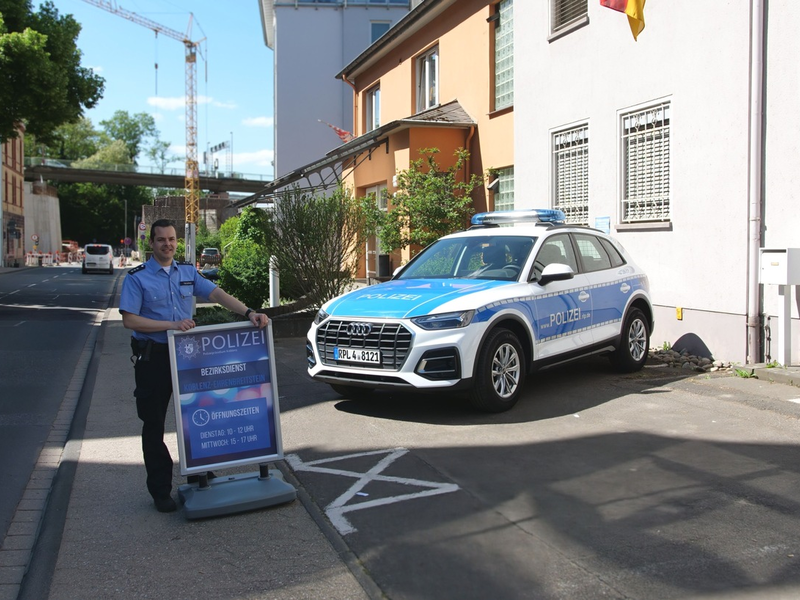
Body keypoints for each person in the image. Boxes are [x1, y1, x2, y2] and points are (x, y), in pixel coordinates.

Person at [119, 219, 269, 513]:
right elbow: (130, 320)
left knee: (198, 415)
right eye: (161, 240)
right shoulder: (136, 278)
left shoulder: (186, 272)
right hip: (155, 358)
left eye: (172, 239)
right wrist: (171, 325)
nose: (168, 245)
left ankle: (202, 472)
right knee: (154, 425)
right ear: (152, 243)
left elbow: (216, 294)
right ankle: (161, 490)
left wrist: (249, 312)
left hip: (188, 356)